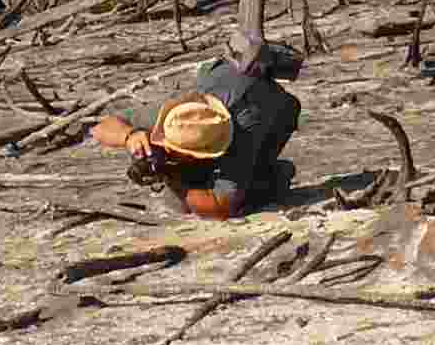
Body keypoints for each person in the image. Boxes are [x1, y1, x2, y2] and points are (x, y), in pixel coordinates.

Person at [90, 37, 302, 220]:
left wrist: (172, 178)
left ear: (203, 154)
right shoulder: (182, 116)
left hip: (275, 114)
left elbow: (220, 208)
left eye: (172, 151)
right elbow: (100, 128)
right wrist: (130, 136)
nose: (163, 149)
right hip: (230, 85)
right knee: (179, 203)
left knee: (242, 197)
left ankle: (275, 174)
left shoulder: (242, 137)